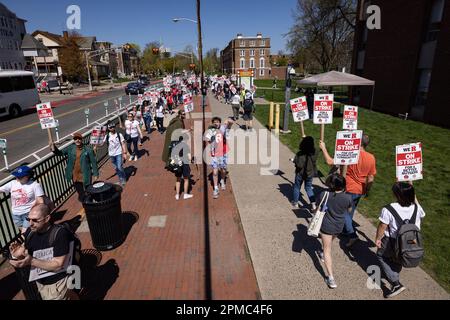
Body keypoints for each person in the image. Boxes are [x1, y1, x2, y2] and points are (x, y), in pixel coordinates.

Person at [8, 204, 79, 300]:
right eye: (29, 219)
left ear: (47, 218)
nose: (31, 223)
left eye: (35, 220)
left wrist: (31, 261)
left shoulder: (59, 234)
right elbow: (27, 254)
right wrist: (18, 255)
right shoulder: (30, 232)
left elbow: (58, 265)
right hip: (41, 280)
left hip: (57, 282)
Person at [319, 134, 376, 247]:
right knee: (350, 211)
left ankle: (352, 235)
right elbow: (370, 177)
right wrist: (367, 190)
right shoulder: (371, 157)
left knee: (344, 213)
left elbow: (330, 161)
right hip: (360, 189)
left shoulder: (350, 153)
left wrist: (324, 148)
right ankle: (346, 230)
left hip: (348, 188)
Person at [375, 182, 425, 298]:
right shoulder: (417, 208)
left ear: (397, 195)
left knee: (381, 255)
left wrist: (378, 238)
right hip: (412, 240)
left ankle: (395, 283)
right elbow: (421, 213)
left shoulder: (388, 209)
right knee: (399, 257)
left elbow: (383, 226)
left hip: (391, 240)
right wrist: (412, 189)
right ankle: (394, 273)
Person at [315, 174, 353, 289]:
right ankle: (322, 252)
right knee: (329, 243)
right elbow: (349, 210)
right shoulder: (348, 198)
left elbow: (317, 208)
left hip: (326, 226)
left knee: (327, 250)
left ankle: (330, 278)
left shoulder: (323, 194)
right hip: (339, 227)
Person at [51, 133, 99, 203]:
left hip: (85, 174)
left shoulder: (88, 149)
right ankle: (86, 203)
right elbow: (60, 153)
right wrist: (53, 147)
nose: (77, 140)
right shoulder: (70, 148)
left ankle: (89, 202)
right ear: (74, 140)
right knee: (81, 193)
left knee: (88, 191)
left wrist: (96, 174)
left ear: (81, 139)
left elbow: (93, 162)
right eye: (75, 139)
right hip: (75, 176)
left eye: (79, 139)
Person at [0, 166, 44, 233]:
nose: (17, 178)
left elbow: (41, 201)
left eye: (19, 177)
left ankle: (30, 242)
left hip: (28, 213)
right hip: (15, 214)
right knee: (24, 232)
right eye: (16, 176)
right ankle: (30, 241)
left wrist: (34, 208)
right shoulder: (12, 183)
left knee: (25, 232)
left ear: (27, 176)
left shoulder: (35, 185)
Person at [204, 117, 230, 199]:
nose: (216, 123)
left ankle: (222, 180)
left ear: (220, 123)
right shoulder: (211, 130)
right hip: (214, 154)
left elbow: (230, 124)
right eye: (214, 122)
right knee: (215, 172)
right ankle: (215, 188)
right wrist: (210, 144)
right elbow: (206, 139)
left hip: (223, 152)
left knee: (223, 169)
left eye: (217, 122)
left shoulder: (222, 128)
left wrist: (228, 121)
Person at [97, 123, 128, 187]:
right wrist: (97, 141)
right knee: (116, 168)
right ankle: (121, 177)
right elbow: (101, 144)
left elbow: (123, 143)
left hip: (118, 153)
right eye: (110, 127)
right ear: (108, 129)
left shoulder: (119, 135)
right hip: (111, 154)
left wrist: (125, 153)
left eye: (113, 127)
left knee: (119, 167)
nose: (112, 128)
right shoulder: (107, 136)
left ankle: (123, 179)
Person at [291, 136, 318, 210]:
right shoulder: (315, 152)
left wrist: (294, 160)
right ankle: (313, 204)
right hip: (310, 173)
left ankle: (295, 202)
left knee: (297, 187)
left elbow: (299, 165)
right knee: (308, 188)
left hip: (300, 174)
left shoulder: (300, 154)